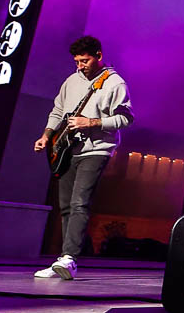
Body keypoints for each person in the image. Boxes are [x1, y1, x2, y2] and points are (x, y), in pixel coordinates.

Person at [31, 36, 133, 280]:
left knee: (79, 202)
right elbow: (57, 110)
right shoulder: (71, 81)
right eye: (77, 61)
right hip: (68, 149)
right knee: (66, 206)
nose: (80, 66)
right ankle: (65, 259)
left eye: (85, 60)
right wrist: (46, 136)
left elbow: (126, 118)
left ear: (98, 55)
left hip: (97, 149)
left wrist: (92, 122)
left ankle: (69, 258)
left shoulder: (114, 83)